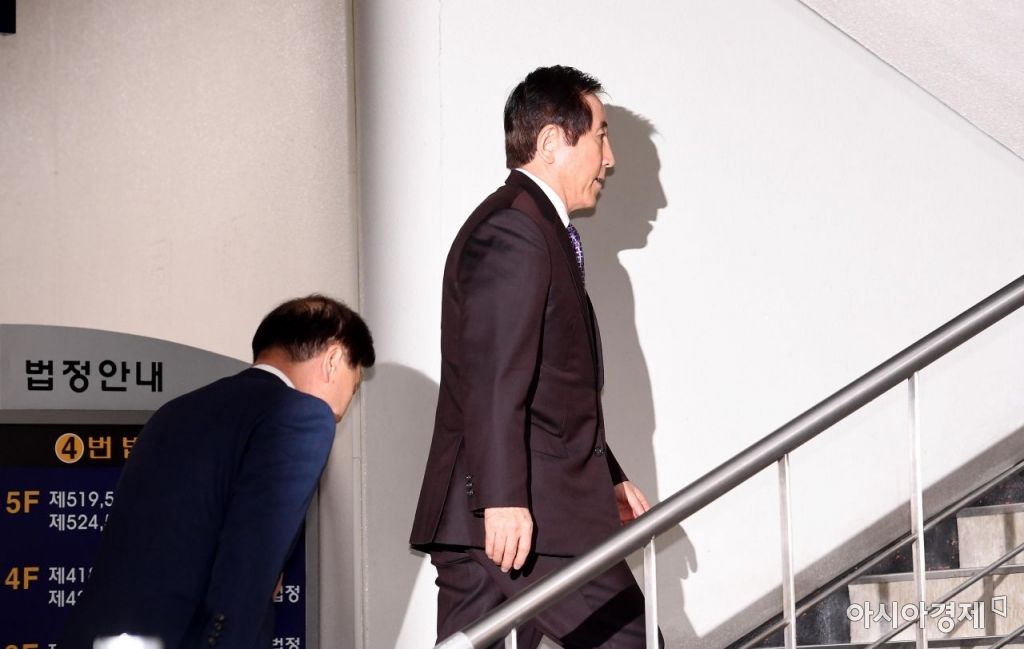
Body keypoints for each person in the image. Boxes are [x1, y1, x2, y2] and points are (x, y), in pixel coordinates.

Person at [410, 65, 660, 648]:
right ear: (551, 142)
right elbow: (497, 378)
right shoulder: (515, 230)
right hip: (523, 518)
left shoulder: (537, 229)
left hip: (511, 514)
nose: (609, 160)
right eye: (600, 136)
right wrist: (502, 500)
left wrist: (608, 477)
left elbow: (550, 389)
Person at [59, 295, 374, 649]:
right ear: (333, 360)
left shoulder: (174, 412)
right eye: (354, 384)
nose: (342, 409)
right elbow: (248, 567)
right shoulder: (303, 415)